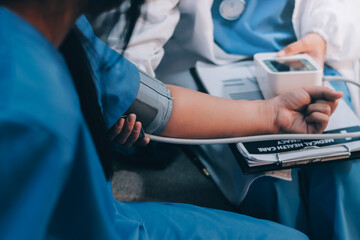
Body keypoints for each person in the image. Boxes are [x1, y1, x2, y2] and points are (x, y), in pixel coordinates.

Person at [0, 0, 343, 239]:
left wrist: (272, 115)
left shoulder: (71, 34)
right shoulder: (32, 117)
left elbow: (151, 101)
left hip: (105, 213)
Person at [93, 0, 360, 239]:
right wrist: (131, 96)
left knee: (344, 164)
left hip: (303, 58)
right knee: (274, 176)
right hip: (209, 66)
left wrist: (320, 38)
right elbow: (130, 55)